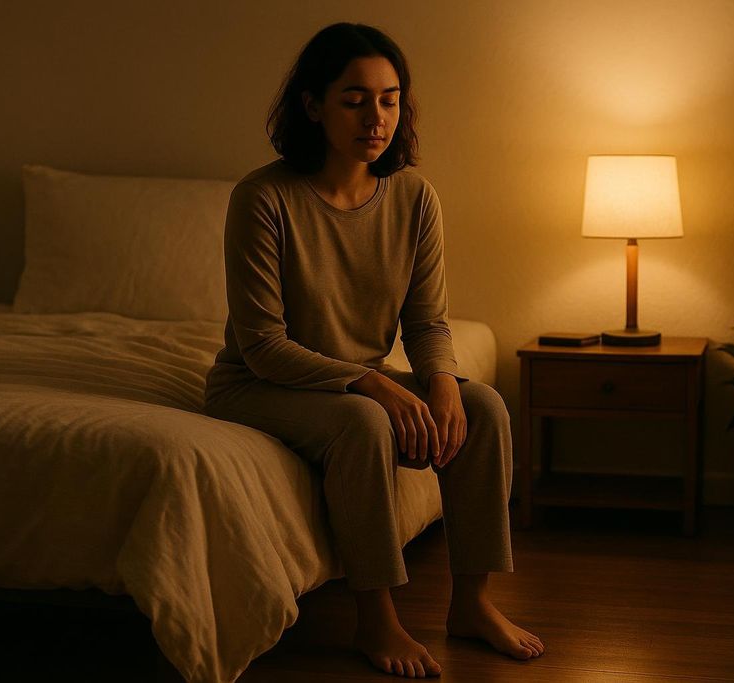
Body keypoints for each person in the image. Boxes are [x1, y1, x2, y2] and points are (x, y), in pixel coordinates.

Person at [203, 22, 544, 678]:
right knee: (364, 421)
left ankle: (471, 603)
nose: (376, 117)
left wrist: (441, 381)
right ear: (313, 105)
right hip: (258, 382)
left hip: (360, 376)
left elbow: (426, 321)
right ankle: (375, 617)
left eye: (389, 99)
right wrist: (374, 384)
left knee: (487, 409)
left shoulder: (414, 197)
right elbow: (264, 344)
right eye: (355, 99)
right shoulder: (263, 197)